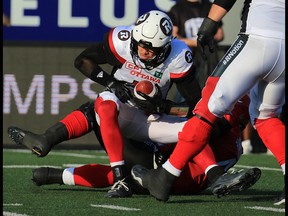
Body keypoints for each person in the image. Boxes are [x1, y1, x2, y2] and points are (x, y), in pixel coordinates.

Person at [7, 10, 260, 199]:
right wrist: (111, 83)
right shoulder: (121, 39)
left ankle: (59, 168)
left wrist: (161, 105)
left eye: (151, 50)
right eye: (140, 46)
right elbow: (82, 60)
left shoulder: (178, 57)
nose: (143, 53)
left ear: (165, 48)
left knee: (194, 125)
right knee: (104, 102)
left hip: (153, 131)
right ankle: (112, 173)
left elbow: (195, 109)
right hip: (131, 118)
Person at [131, 0, 285, 205]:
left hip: (256, 38)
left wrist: (209, 24)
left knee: (205, 110)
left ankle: (165, 177)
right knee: (267, 118)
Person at [29, 95, 259, 197]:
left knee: (95, 109)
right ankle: (53, 175)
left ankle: (47, 140)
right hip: (180, 178)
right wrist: (165, 109)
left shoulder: (222, 129)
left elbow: (199, 131)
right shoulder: (234, 140)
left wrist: (160, 112)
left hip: (168, 171)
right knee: (125, 176)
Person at [168, 0, 224, 89]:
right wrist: (197, 42)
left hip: (209, 58)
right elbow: (173, 36)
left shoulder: (210, 6)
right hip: (187, 57)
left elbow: (220, 34)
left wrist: (207, 40)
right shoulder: (177, 9)